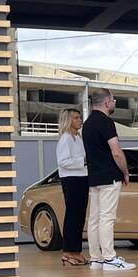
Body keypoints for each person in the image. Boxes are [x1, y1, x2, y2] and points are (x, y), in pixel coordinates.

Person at [82, 88, 137, 270]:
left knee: (94, 218)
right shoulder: (106, 122)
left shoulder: (88, 124)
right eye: (113, 100)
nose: (114, 103)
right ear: (107, 103)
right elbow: (116, 152)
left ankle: (96, 258)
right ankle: (109, 259)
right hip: (109, 176)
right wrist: (126, 172)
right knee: (107, 218)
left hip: (94, 177)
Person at [55, 108, 89, 266]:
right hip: (71, 180)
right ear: (68, 120)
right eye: (76, 117)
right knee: (72, 216)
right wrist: (82, 161)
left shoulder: (78, 137)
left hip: (81, 179)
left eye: (80, 117)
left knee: (79, 217)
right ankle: (68, 251)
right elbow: (63, 162)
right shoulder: (65, 138)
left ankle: (76, 251)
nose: (80, 120)